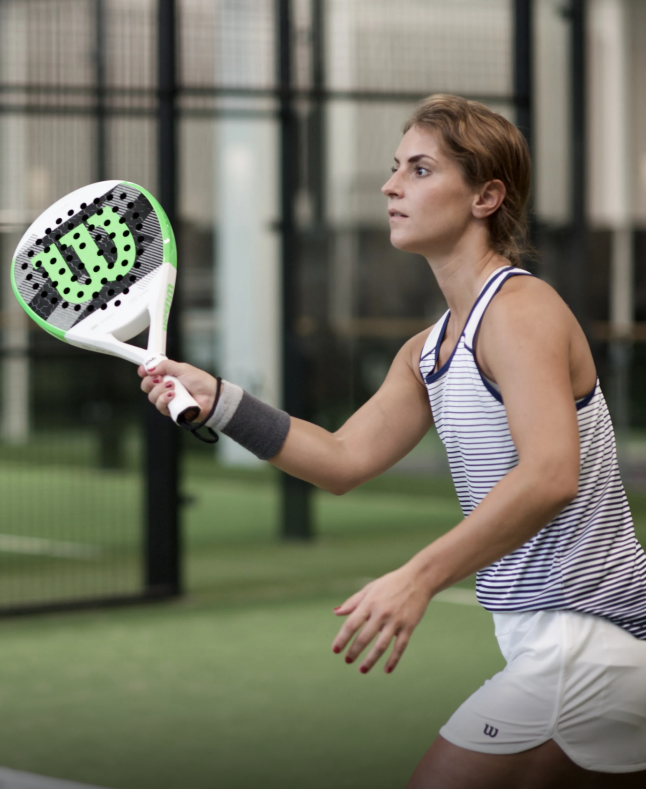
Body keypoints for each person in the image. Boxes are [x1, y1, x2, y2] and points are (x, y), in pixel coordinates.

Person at [139, 94, 646, 788]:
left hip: (582, 636)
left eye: (420, 169)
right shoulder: (428, 350)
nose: (390, 185)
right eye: (395, 166)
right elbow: (342, 460)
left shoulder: (520, 311)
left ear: (486, 197)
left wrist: (417, 577)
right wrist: (220, 401)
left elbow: (551, 474)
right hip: (582, 637)